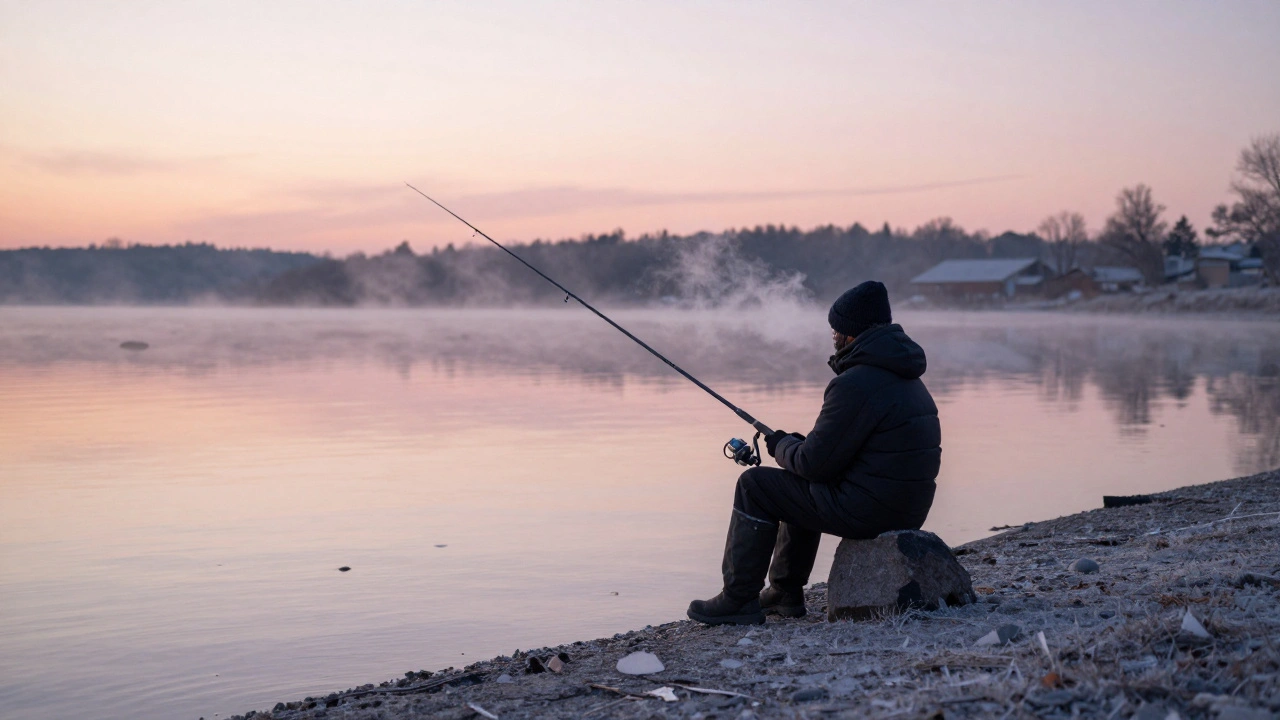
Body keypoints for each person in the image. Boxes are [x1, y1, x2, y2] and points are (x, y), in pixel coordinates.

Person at [687, 281, 941, 625]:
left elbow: (814, 464)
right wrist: (795, 446)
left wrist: (780, 446)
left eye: (836, 328)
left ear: (852, 333)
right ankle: (784, 593)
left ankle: (738, 599)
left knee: (754, 485)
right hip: (904, 507)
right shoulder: (903, 376)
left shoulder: (855, 383)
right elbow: (832, 456)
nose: (833, 335)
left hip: (871, 510)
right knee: (795, 480)